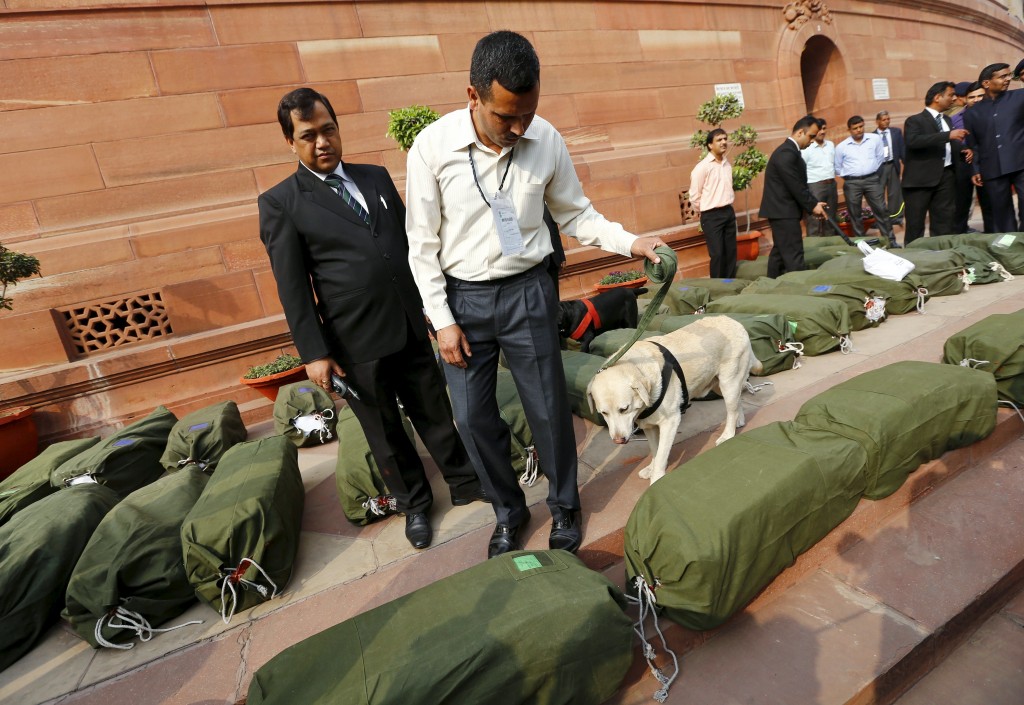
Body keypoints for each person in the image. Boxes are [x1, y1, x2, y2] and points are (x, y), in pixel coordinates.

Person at [405, 31, 664, 559]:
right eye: (506, 117)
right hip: (463, 302)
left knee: (547, 407)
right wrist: (441, 319)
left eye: (528, 112)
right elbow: (421, 243)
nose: (519, 127)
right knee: (473, 419)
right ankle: (509, 511)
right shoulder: (431, 147)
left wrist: (631, 241)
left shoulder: (544, 139)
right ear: (472, 95)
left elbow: (576, 213)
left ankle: (564, 504)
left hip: (528, 293)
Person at [258, 88, 487, 551]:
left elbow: (409, 247)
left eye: (328, 130)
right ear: (291, 143)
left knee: (433, 410)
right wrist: (315, 353)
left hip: (407, 322)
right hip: (353, 341)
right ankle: (416, 505)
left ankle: (464, 482)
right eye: (308, 136)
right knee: (384, 430)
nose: (321, 142)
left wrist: (431, 308)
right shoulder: (282, 202)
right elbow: (293, 287)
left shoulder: (376, 177)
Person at [758, 116, 827, 277]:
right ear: (800, 132)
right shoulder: (786, 153)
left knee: (780, 254)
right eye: (810, 136)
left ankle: (770, 287)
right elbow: (795, 185)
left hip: (784, 211)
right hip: (783, 212)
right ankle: (801, 292)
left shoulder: (790, 151)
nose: (812, 141)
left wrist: (813, 203)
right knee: (794, 255)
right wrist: (812, 205)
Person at [901, 82, 967, 244]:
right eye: (950, 95)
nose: (954, 98)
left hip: (946, 178)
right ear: (937, 97)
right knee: (915, 225)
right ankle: (914, 258)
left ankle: (941, 256)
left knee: (944, 223)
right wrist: (947, 136)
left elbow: (948, 144)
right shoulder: (915, 120)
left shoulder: (947, 119)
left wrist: (964, 150)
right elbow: (913, 141)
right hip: (920, 182)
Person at [963, 63, 1024, 232]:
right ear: (986, 83)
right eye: (1002, 76)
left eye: (1009, 75)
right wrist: (975, 169)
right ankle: (1011, 247)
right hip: (992, 168)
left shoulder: (1020, 97)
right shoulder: (972, 113)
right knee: (1001, 212)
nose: (1008, 79)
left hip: (1021, 163)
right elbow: (973, 144)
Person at [834, 115, 898, 245]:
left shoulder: (874, 139)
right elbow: (837, 167)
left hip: (872, 180)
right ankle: (861, 244)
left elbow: (880, 157)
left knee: (881, 210)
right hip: (852, 183)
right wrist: (851, 176)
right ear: (849, 130)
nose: (859, 130)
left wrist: (870, 169)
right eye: (855, 128)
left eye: (861, 126)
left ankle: (890, 241)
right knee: (855, 213)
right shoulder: (842, 146)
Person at [689, 128, 737, 277]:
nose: (723, 142)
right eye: (719, 140)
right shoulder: (702, 167)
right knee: (717, 254)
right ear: (710, 145)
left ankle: (730, 285)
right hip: (711, 215)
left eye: (725, 139)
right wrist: (705, 211)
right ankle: (717, 288)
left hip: (728, 212)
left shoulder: (727, 165)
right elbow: (694, 196)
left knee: (730, 253)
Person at [951, 81, 988, 233]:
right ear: (964, 98)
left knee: (989, 205)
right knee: (962, 205)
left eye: (980, 96)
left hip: (985, 165)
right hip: (963, 166)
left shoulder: (992, 114)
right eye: (972, 97)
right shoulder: (954, 119)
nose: (976, 99)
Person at [801, 117, 837, 237]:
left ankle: (832, 246)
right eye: (819, 129)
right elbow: (801, 168)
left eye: (824, 129)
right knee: (814, 219)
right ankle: (815, 247)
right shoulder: (807, 148)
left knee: (830, 217)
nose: (822, 132)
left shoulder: (831, 145)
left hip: (831, 184)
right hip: (815, 186)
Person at [874, 110, 905, 224]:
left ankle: (895, 217)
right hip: (879, 168)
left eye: (888, 119)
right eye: (883, 120)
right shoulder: (872, 136)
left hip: (892, 165)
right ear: (877, 121)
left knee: (895, 193)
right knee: (878, 194)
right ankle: (881, 219)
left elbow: (902, 149)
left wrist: (906, 162)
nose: (886, 121)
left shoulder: (896, 132)